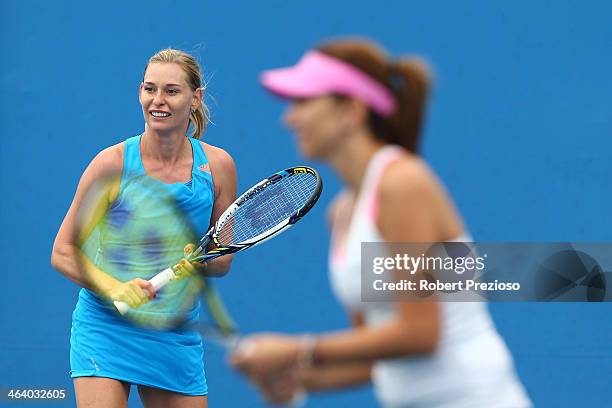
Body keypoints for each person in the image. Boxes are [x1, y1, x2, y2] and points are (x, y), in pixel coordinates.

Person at [231, 39, 532, 407]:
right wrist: (297, 378)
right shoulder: (342, 212)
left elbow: (421, 332)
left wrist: (295, 349)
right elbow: (374, 356)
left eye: (304, 101)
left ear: (351, 110)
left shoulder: (401, 184)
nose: (289, 117)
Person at [51, 48, 237, 408]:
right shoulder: (112, 164)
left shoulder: (218, 166)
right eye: (150, 89)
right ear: (140, 92)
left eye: (171, 90)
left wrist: (196, 260)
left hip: (174, 334)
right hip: (105, 327)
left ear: (195, 98)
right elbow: (62, 252)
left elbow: (223, 261)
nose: (158, 100)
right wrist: (115, 288)